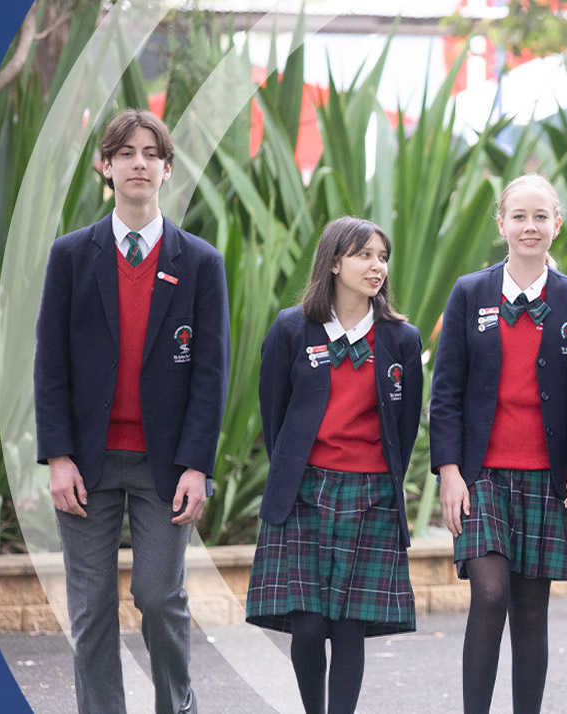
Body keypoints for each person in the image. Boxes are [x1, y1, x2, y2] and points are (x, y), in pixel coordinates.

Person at [33, 108, 229, 714]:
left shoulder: (200, 262)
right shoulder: (71, 256)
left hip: (163, 465)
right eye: (125, 153)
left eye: (150, 153)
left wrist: (197, 466)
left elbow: (210, 374)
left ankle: (178, 705)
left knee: (159, 597)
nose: (138, 163)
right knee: (90, 609)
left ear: (167, 169)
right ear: (106, 167)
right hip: (86, 464)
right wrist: (58, 456)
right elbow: (51, 363)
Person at [431, 173, 567, 714]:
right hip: (481, 475)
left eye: (540, 217)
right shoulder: (470, 293)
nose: (529, 227)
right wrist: (449, 472)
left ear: (557, 224)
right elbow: (446, 392)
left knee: (531, 612)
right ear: (501, 224)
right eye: (519, 217)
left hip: (547, 477)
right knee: (489, 594)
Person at [246, 216, 423, 714]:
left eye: (382, 257)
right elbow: (275, 414)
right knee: (307, 625)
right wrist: (296, 472)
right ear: (334, 262)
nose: (377, 266)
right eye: (364, 255)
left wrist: (376, 478)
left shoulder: (401, 339)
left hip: (372, 496)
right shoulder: (291, 329)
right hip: (304, 492)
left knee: (349, 626)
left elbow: (404, 427)